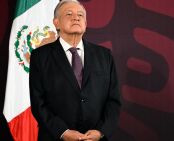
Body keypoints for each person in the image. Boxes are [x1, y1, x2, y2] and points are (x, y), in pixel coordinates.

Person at [29, 0, 121, 141]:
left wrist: (101, 131)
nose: (76, 17)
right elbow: (38, 102)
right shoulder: (40, 56)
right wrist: (62, 132)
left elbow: (113, 100)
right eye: (69, 14)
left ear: (85, 23)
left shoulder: (104, 56)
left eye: (80, 15)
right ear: (56, 22)